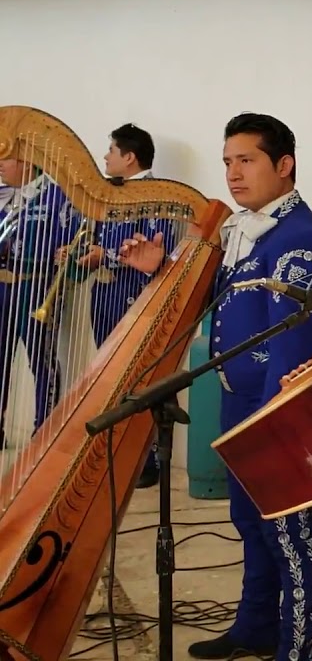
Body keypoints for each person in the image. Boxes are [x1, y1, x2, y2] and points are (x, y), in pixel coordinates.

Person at [120, 113, 312, 661]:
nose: (233, 174)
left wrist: (265, 425)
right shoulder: (246, 227)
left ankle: (297, 647)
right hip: (238, 403)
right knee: (249, 522)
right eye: (227, 162)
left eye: (247, 161)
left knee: (288, 534)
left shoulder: (298, 242)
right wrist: (159, 269)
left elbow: (289, 350)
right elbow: (217, 303)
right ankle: (256, 626)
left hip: (273, 412)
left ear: (283, 165)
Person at [63, 122, 176, 487]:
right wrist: (77, 252)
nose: (105, 158)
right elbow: (97, 241)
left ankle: (149, 461)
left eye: (110, 151)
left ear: (129, 157)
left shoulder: (160, 196)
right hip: (106, 300)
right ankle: (122, 455)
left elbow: (160, 249)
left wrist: (105, 256)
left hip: (138, 300)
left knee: (145, 379)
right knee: (113, 380)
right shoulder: (110, 196)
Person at [0, 157, 79, 449]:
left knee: (41, 360)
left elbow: (74, 243)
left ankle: (43, 430)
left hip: (35, 286)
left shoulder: (58, 196)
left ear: (27, 160)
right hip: (2, 286)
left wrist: (67, 252)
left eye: (6, 157)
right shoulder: (4, 196)